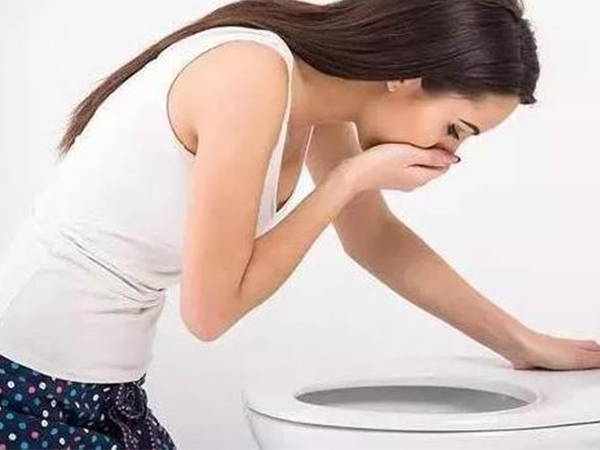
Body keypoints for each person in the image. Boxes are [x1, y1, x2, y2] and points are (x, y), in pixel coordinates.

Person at [2, 0, 600, 448]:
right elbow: (210, 313)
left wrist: (520, 343)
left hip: (96, 386)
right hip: (31, 381)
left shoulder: (315, 95)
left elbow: (375, 239)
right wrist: (345, 181)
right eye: (454, 130)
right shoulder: (251, 77)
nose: (448, 155)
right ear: (408, 74)